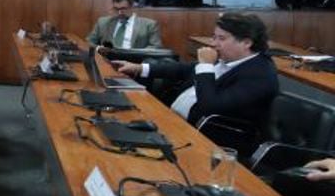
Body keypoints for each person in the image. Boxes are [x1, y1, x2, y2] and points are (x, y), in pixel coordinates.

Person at [112, 13, 278, 140]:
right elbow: (183, 69)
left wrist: (205, 66)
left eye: (221, 38)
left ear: (246, 43)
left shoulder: (260, 75)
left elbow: (210, 107)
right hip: (172, 122)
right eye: (214, 37)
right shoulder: (230, 58)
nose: (213, 43)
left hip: (208, 138)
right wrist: (139, 68)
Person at [85, 0, 163, 49]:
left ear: (132, 6)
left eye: (123, 9)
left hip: (133, 63)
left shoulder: (149, 25)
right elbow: (88, 42)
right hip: (106, 61)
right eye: (116, 9)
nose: (119, 13)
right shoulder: (103, 22)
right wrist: (99, 49)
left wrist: (135, 54)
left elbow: (156, 47)